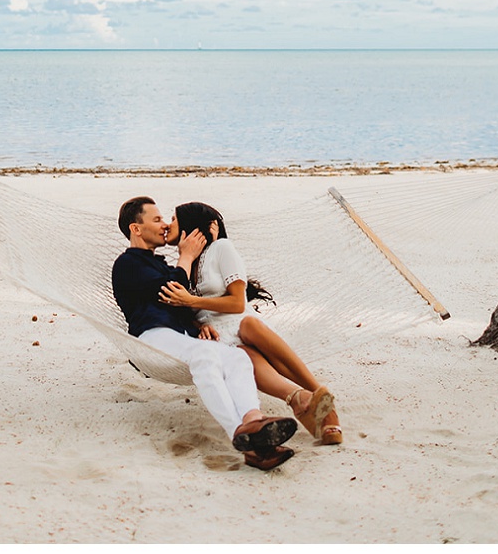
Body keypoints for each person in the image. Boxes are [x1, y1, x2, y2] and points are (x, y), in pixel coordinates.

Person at [110, 195, 298, 471]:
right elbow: (170, 291)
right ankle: (239, 431)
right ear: (136, 229)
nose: (164, 225)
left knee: (237, 358)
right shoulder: (127, 264)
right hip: (151, 339)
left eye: (165, 219)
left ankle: (253, 419)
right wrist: (186, 257)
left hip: (181, 338)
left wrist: (199, 325)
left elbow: (182, 303)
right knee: (206, 356)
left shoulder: (161, 265)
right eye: (157, 219)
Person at [159, 201, 342, 445]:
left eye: (173, 218)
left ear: (195, 226)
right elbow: (182, 310)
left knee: (249, 327)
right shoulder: (185, 264)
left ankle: (321, 396)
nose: (168, 224)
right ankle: (300, 400)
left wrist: (190, 300)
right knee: (241, 355)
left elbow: (236, 303)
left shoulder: (222, 248)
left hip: (239, 319)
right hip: (216, 336)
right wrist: (198, 324)